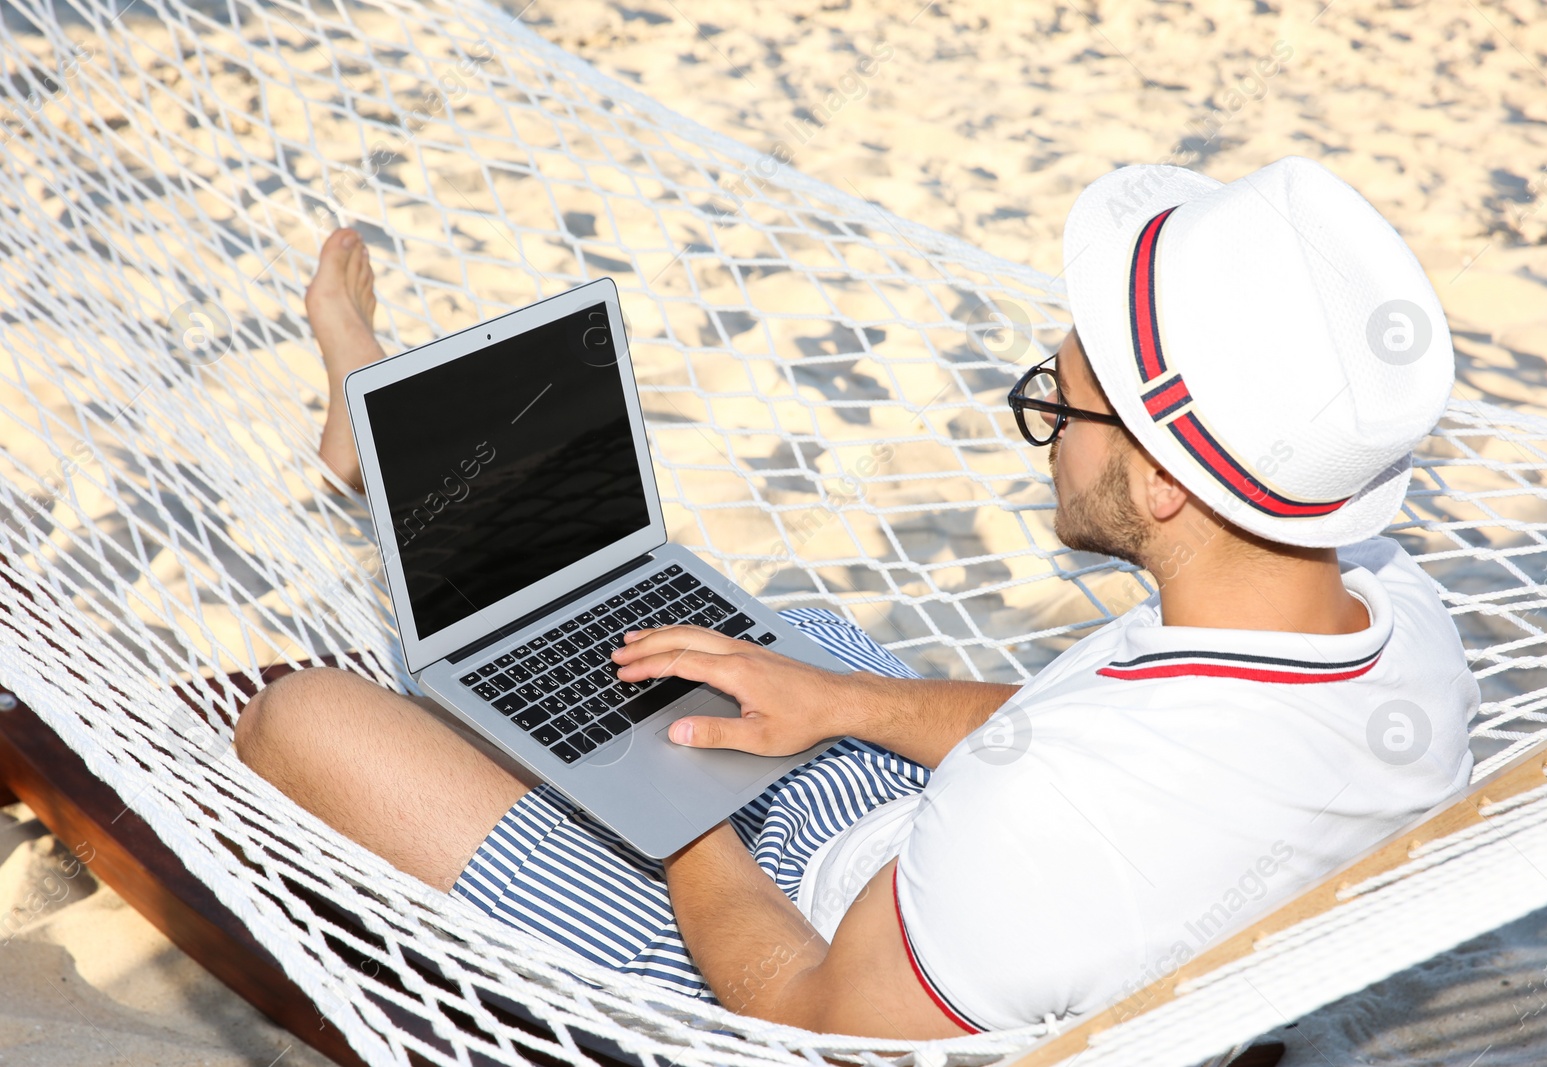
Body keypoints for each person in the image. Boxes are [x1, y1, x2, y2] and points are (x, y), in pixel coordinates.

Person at [235, 155, 1477, 1037]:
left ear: (1158, 484)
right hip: (928, 865)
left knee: (301, 719)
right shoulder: (1394, 620)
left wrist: (661, 802)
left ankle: (375, 427)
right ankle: (395, 459)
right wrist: (845, 703)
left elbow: (805, 1015)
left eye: (1057, 404)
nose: (1043, 433)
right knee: (787, 639)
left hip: (758, 975)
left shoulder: (1051, 830)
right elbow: (1077, 725)